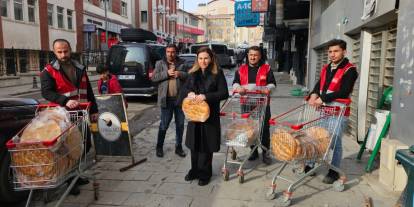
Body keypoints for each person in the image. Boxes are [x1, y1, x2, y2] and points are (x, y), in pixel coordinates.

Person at [40, 39, 98, 195]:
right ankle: (69, 180)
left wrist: (94, 110)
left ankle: (75, 175)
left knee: (85, 146)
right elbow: (46, 92)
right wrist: (65, 100)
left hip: (82, 113)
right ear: (54, 52)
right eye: (59, 52)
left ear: (70, 50)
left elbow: (89, 90)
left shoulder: (79, 67)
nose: (63, 54)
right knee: (69, 150)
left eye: (65, 51)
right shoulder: (48, 70)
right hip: (64, 116)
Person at [307, 39, 358, 184]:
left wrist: (322, 98)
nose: (332, 54)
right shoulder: (327, 67)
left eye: (336, 51)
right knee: (319, 137)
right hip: (324, 109)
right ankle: (311, 164)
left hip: (339, 111)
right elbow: (319, 85)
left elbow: (344, 91)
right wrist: (313, 95)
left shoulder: (350, 70)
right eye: (330, 51)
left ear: (344, 52)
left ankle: (334, 171)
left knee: (335, 142)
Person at [181, 47, 229, 186]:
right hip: (194, 115)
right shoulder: (193, 73)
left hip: (210, 116)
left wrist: (205, 96)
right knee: (194, 144)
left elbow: (224, 93)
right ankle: (194, 170)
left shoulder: (217, 73)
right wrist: (189, 93)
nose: (203, 61)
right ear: (197, 59)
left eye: (206, 58)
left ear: (211, 58)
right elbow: (185, 88)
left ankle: (205, 173)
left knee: (206, 146)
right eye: (200, 58)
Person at [232, 46, 276, 165]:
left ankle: (265, 153)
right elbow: (235, 82)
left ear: (260, 56)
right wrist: (238, 87)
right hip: (246, 103)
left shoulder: (266, 68)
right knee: (250, 129)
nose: (253, 57)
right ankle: (253, 151)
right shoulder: (241, 69)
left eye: (255, 55)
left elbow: (272, 84)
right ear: (248, 55)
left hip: (262, 104)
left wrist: (268, 88)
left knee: (264, 129)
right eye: (251, 55)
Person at [152, 44, 187, 158]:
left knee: (180, 125)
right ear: (165, 52)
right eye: (168, 52)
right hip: (166, 100)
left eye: (172, 52)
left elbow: (189, 76)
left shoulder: (182, 63)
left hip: (179, 100)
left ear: (176, 52)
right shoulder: (160, 63)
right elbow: (154, 78)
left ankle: (178, 147)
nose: (170, 54)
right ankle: (159, 147)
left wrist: (180, 74)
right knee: (164, 125)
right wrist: (166, 74)